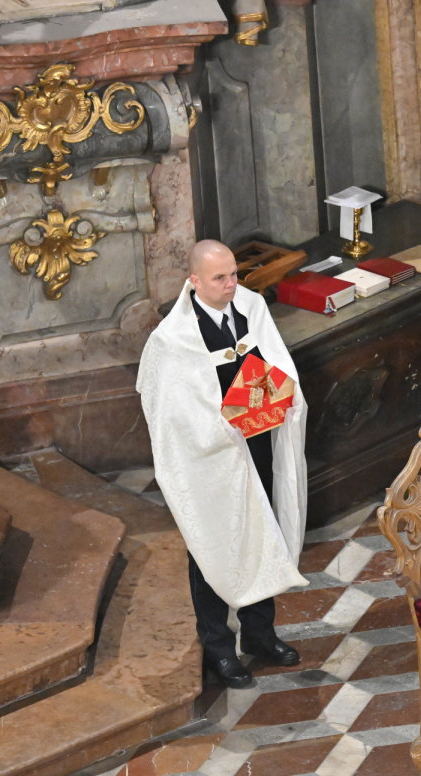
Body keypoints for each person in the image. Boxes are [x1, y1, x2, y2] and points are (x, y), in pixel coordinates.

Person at [136, 240, 307, 688]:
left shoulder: (250, 307)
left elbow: (276, 362)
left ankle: (258, 634)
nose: (232, 284)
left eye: (234, 274)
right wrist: (219, 427)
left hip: (258, 440)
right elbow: (168, 411)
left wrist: (278, 397)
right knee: (210, 543)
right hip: (209, 457)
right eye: (219, 278)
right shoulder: (172, 339)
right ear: (193, 281)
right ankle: (217, 647)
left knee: (262, 530)